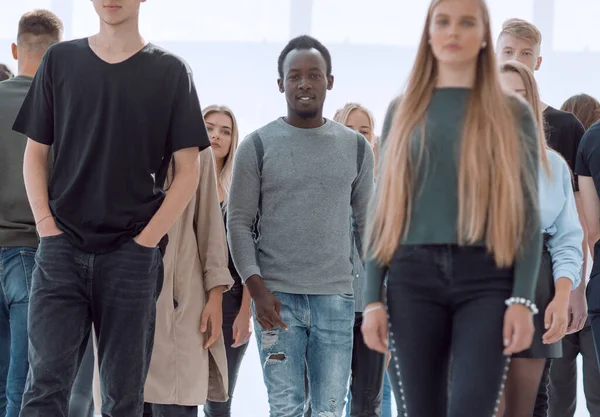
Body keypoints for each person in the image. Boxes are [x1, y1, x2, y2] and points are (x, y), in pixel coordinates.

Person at [12, 0, 210, 415]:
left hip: (131, 256)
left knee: (123, 398)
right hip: (61, 247)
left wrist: (146, 242)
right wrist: (46, 225)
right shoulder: (59, 61)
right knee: (44, 388)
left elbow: (187, 171)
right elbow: (34, 153)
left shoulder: (171, 71)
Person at [361, 1, 541, 417]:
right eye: (442, 22)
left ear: (484, 37)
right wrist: (372, 299)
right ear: (429, 34)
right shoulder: (402, 110)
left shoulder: (512, 113)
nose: (453, 31)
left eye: (466, 23)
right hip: (411, 279)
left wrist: (522, 299)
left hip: (488, 278)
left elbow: (527, 215)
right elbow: (382, 212)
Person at [227, 35, 374, 417]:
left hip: (336, 302)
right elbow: (238, 223)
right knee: (286, 410)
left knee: (328, 411)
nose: (304, 83)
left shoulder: (357, 148)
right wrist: (256, 289)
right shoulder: (256, 146)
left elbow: (366, 227)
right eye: (294, 76)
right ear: (280, 84)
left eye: (314, 75)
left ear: (330, 81)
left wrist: (374, 296)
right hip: (276, 301)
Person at [496, 17, 588, 416]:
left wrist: (566, 293)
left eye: (520, 95)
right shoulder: (458, 161)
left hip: (537, 287)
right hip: (472, 287)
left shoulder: (551, 165)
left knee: (531, 403)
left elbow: (569, 238)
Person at [0, 10, 62, 417]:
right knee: (22, 389)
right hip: (31, 253)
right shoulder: (62, 108)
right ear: (57, 54)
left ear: (15, 49)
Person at [144, 145, 233, 417]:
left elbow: (211, 228)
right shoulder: (116, 131)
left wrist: (215, 296)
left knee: (175, 401)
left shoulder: (198, 149)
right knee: (124, 396)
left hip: (181, 299)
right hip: (124, 296)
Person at [333, 103, 387, 417]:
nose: (356, 137)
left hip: (371, 311)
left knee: (369, 404)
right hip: (329, 312)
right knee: (326, 402)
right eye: (349, 129)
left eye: (363, 131)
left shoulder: (386, 194)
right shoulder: (321, 190)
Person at [549, 94, 600, 417]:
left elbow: (589, 231)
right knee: (597, 400)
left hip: (558, 290)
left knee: (557, 402)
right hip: (588, 286)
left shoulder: (560, 169)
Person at [203, 105, 254, 417]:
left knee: (219, 400)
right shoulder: (179, 183)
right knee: (177, 395)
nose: (215, 136)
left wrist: (245, 311)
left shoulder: (240, 190)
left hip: (231, 302)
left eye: (224, 130)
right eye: (209, 128)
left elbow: (250, 252)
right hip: (186, 299)